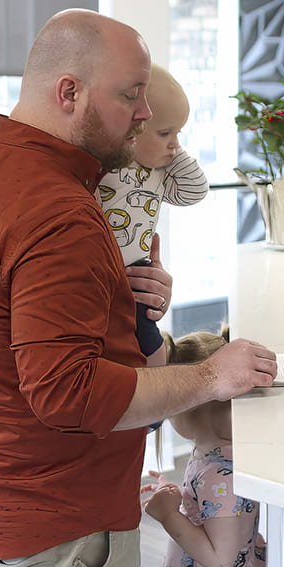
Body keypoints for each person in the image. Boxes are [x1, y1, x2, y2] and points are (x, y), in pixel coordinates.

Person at [0, 8, 277, 567]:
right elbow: (69, 394)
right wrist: (209, 376)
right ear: (69, 92)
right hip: (60, 515)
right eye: (131, 96)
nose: (146, 115)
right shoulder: (59, 211)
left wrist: (120, 301)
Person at [98, 63, 208, 368]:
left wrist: (172, 149)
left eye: (178, 133)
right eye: (165, 132)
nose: (174, 142)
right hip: (100, 269)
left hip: (136, 271)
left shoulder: (159, 174)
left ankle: (155, 414)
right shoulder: (110, 164)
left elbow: (195, 190)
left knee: (152, 345)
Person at [141, 331, 266, 567]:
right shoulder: (212, 456)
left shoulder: (218, 474)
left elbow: (220, 560)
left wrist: (168, 515)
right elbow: (212, 512)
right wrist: (181, 498)